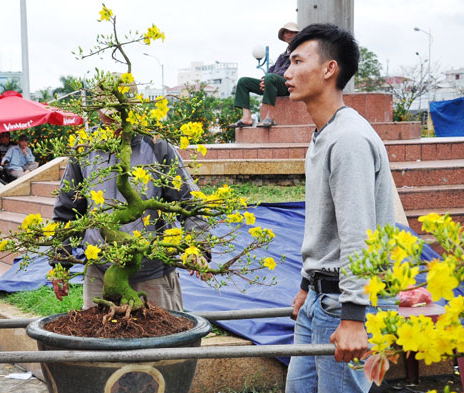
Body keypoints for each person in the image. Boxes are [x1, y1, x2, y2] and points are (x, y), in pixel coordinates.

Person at [282, 24, 396, 393]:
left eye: (298, 61)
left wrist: (353, 317)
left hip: (343, 304)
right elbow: (324, 224)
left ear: (329, 69)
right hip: (320, 295)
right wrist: (305, 283)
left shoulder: (347, 139)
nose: (287, 71)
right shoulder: (323, 134)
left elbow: (357, 233)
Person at [52, 126, 209, 311]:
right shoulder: (84, 148)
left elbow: (190, 201)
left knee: (161, 336)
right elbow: (66, 211)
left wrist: (196, 245)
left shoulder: (157, 145)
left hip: (152, 273)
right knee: (97, 336)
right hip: (100, 272)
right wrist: (60, 263)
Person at [231, 22, 300, 129]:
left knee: (270, 78)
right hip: (273, 82)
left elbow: (293, 71)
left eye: (292, 32)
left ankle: (270, 117)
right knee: (243, 81)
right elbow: (271, 70)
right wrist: (264, 80)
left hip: (289, 85)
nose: (289, 35)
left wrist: (269, 78)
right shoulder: (282, 55)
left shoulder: (300, 52)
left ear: (297, 35)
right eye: (286, 32)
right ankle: (246, 118)